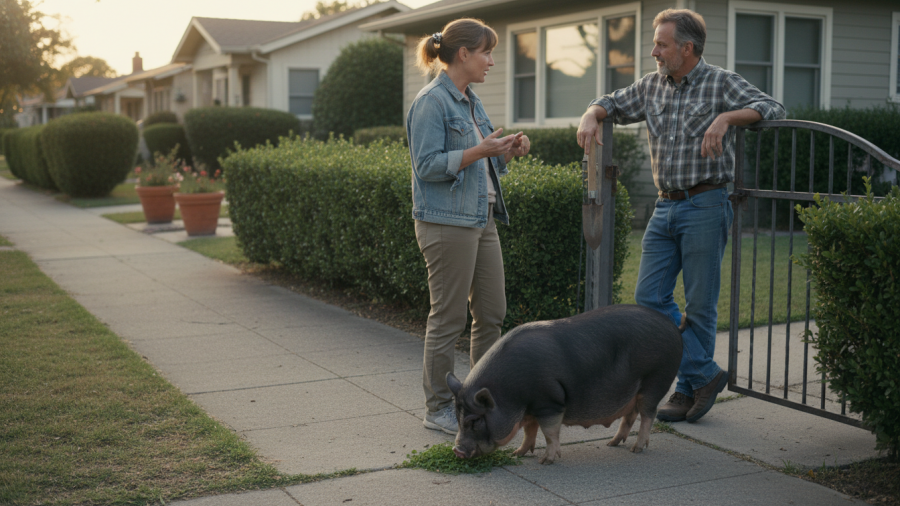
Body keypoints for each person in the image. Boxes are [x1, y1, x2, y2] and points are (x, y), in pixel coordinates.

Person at [577, 9, 784, 423]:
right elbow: (612, 103)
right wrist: (590, 113)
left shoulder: (720, 82)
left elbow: (773, 107)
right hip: (664, 205)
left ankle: (688, 390)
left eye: (661, 44)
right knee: (649, 299)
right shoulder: (652, 86)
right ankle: (704, 373)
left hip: (706, 205)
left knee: (700, 304)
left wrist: (726, 117)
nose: (654, 52)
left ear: (686, 48)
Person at [407, 18, 531, 434]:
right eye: (486, 52)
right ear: (464, 54)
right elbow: (426, 166)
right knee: (447, 318)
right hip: (446, 222)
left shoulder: (471, 100)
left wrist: (507, 151)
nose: (491, 61)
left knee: (492, 313)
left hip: (482, 219)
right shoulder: (432, 101)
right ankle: (439, 408)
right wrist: (479, 150)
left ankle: (479, 401)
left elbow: (486, 162)